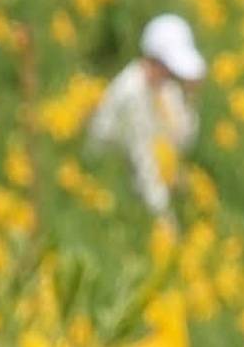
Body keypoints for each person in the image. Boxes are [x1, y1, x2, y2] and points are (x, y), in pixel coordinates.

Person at [86, 14, 207, 233]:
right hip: (107, 185)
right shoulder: (132, 92)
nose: (173, 77)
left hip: (136, 186)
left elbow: (183, 139)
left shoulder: (164, 90)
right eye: (169, 69)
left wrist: (190, 98)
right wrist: (165, 220)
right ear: (155, 60)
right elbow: (143, 161)